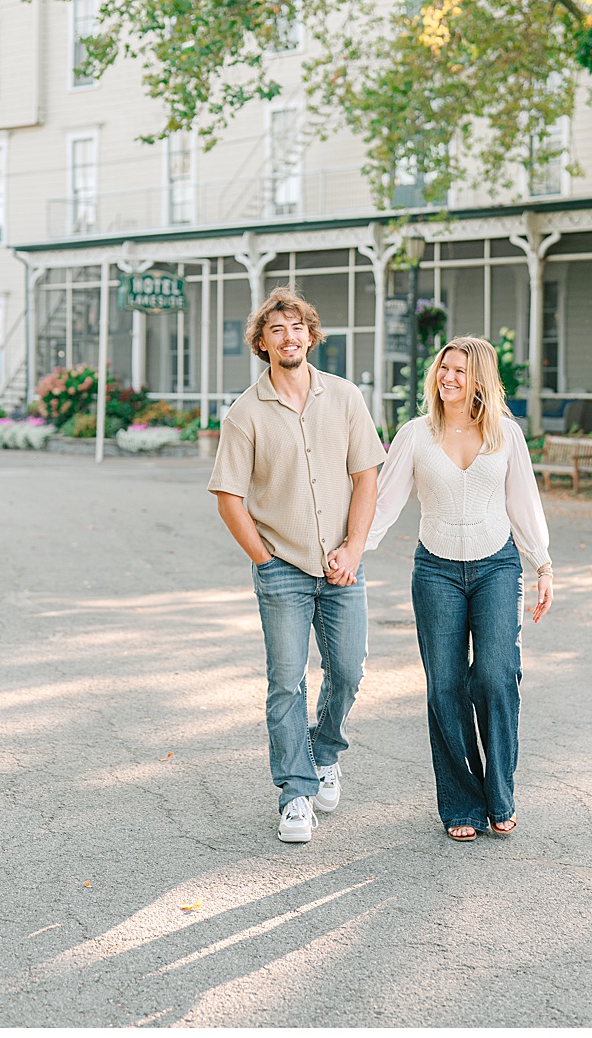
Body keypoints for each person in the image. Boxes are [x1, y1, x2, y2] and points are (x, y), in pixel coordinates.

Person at [208, 286, 387, 843]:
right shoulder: (245, 414)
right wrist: (264, 560)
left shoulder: (346, 398)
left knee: (350, 670)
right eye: (276, 330)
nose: (289, 337)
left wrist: (354, 548)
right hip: (282, 567)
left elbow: (366, 477)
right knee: (286, 683)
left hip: (342, 568)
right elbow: (228, 496)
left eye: (297, 328)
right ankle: (294, 794)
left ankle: (324, 751)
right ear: (262, 343)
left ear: (311, 336)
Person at [367, 336, 554, 842]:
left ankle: (500, 793)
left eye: (461, 371)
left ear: (481, 380)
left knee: (495, 675)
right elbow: (384, 504)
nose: (449, 377)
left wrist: (543, 564)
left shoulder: (505, 436)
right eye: (443, 368)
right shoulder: (415, 434)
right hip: (436, 571)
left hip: (497, 565)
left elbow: (524, 502)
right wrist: (349, 552)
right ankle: (461, 803)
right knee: (445, 686)